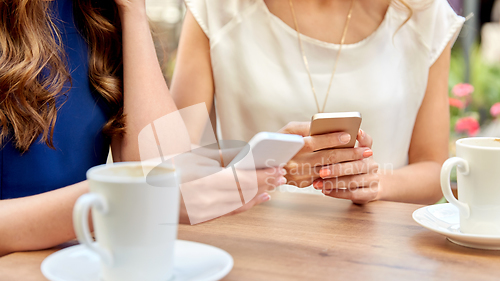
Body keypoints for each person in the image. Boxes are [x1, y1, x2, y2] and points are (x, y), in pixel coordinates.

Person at [0, 0, 282, 256]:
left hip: (84, 267)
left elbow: (163, 168)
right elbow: (158, 189)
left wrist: (133, 11)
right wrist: (118, 199)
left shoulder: (97, 12)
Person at [171, 0, 465, 205]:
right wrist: (261, 161)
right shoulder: (217, 8)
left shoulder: (423, 12)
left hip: (379, 253)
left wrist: (375, 182)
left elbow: (433, 166)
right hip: (251, 241)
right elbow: (172, 157)